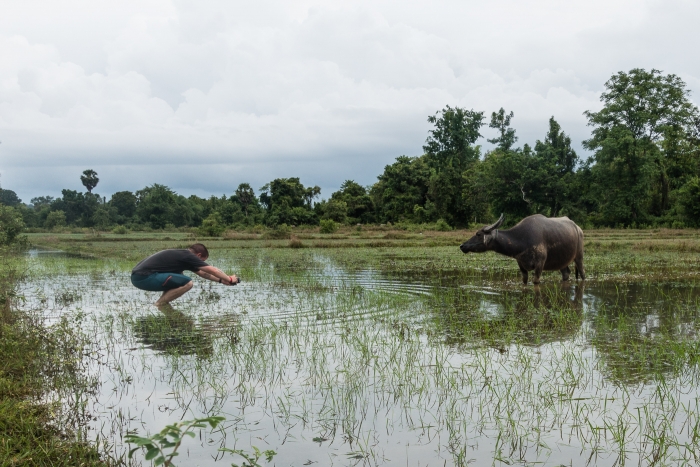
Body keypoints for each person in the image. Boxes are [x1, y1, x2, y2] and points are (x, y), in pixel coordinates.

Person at [131, 243, 239, 307]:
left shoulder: (184, 257)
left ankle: (163, 305)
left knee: (179, 277)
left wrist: (221, 281)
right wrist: (229, 279)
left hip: (138, 277)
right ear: (198, 255)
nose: (200, 262)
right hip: (144, 277)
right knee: (187, 283)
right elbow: (212, 270)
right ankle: (159, 304)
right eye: (201, 260)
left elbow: (204, 274)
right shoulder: (188, 255)